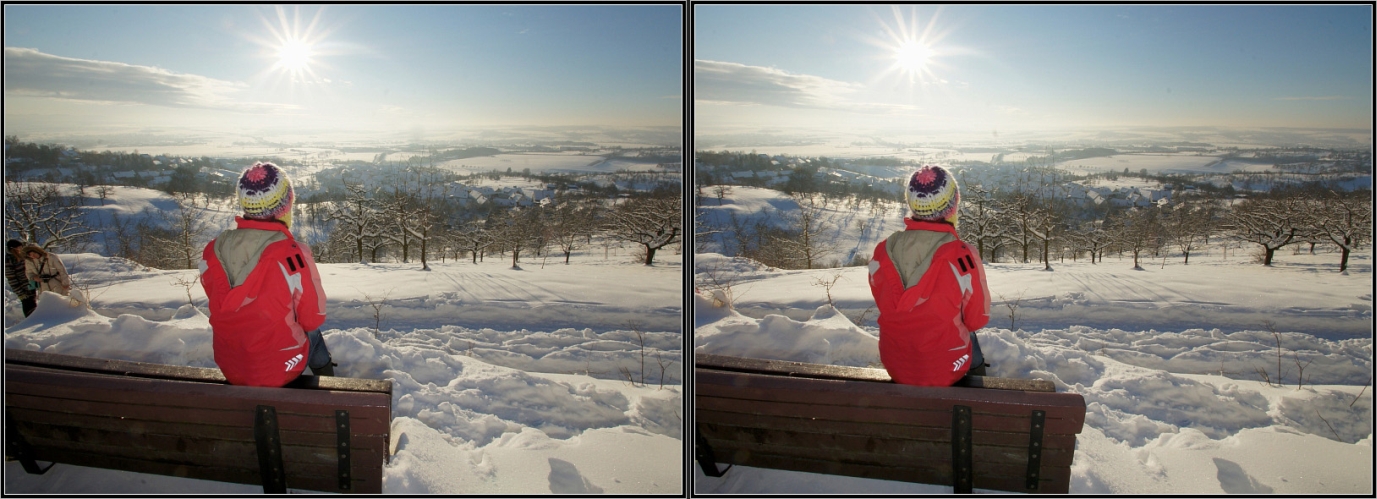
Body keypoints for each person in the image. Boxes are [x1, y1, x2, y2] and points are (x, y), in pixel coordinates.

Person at [199, 161, 335, 387]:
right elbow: (313, 318)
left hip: (230, 366)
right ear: (285, 206)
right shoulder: (292, 255)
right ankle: (330, 385)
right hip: (283, 368)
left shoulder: (214, 250)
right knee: (312, 333)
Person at [868, 165, 991, 387]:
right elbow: (977, 319)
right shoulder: (962, 256)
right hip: (947, 369)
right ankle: (978, 390)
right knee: (969, 336)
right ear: (953, 206)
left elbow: (888, 304)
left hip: (896, 365)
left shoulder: (883, 251)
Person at [6, 239, 39, 316]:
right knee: (27, 304)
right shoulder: (8, 260)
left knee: (33, 302)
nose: (21, 249)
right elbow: (11, 278)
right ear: (13, 249)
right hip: (22, 288)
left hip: (30, 284)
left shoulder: (22, 256)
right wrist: (20, 292)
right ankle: (30, 322)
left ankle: (36, 318)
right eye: (19, 247)